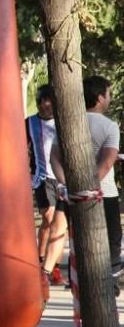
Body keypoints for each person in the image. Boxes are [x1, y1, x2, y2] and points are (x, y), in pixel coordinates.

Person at [52, 75, 121, 270]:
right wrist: (90, 188)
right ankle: (111, 283)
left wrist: (66, 184)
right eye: (108, 94)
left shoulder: (68, 123)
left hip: (72, 193)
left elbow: (54, 157)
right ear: (100, 97)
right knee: (112, 241)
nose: (110, 98)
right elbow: (107, 162)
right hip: (103, 194)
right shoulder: (110, 126)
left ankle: (81, 282)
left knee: (81, 239)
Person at [25, 85, 67, 286]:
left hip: (61, 177)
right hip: (42, 178)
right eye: (42, 101)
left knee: (60, 224)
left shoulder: (63, 123)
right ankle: (40, 263)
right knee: (49, 218)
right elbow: (18, 147)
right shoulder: (29, 123)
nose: (45, 105)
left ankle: (54, 268)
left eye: (48, 100)